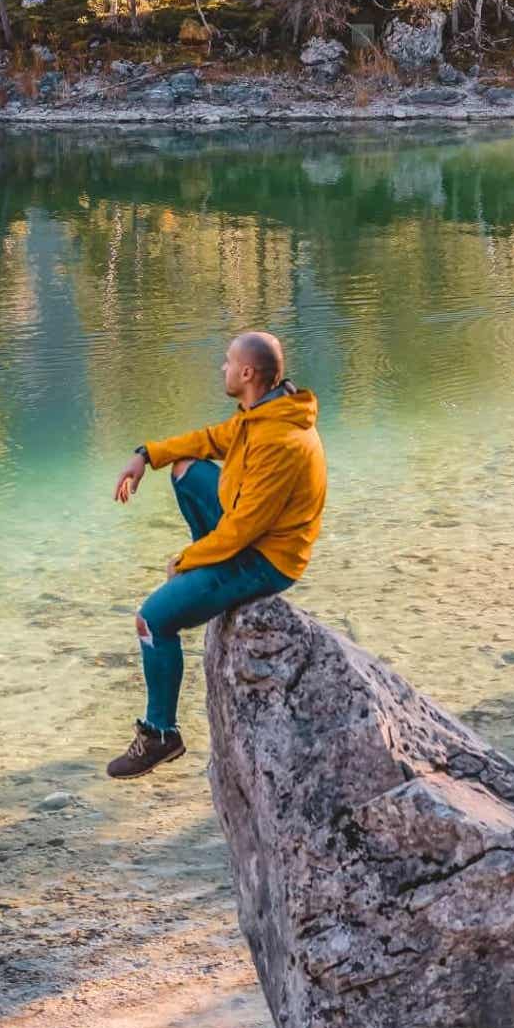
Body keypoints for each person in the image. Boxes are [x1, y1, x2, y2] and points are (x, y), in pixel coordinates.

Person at [107, 329, 326, 779]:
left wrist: (188, 560)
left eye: (227, 362)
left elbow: (244, 529)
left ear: (247, 373)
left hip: (266, 560)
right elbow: (209, 440)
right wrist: (146, 455)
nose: (222, 368)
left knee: (152, 620)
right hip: (246, 538)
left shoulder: (281, 441)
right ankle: (207, 581)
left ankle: (160, 735)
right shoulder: (260, 415)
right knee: (185, 468)